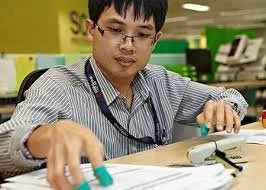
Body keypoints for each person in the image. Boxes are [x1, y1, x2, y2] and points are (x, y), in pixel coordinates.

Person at [0, 0, 248, 189]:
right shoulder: (57, 85)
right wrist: (41, 137)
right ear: (91, 30)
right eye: (116, 30)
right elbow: (5, 141)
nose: (128, 45)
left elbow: (233, 96)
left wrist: (226, 106)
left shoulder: (162, 82)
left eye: (141, 35)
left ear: (155, 40)